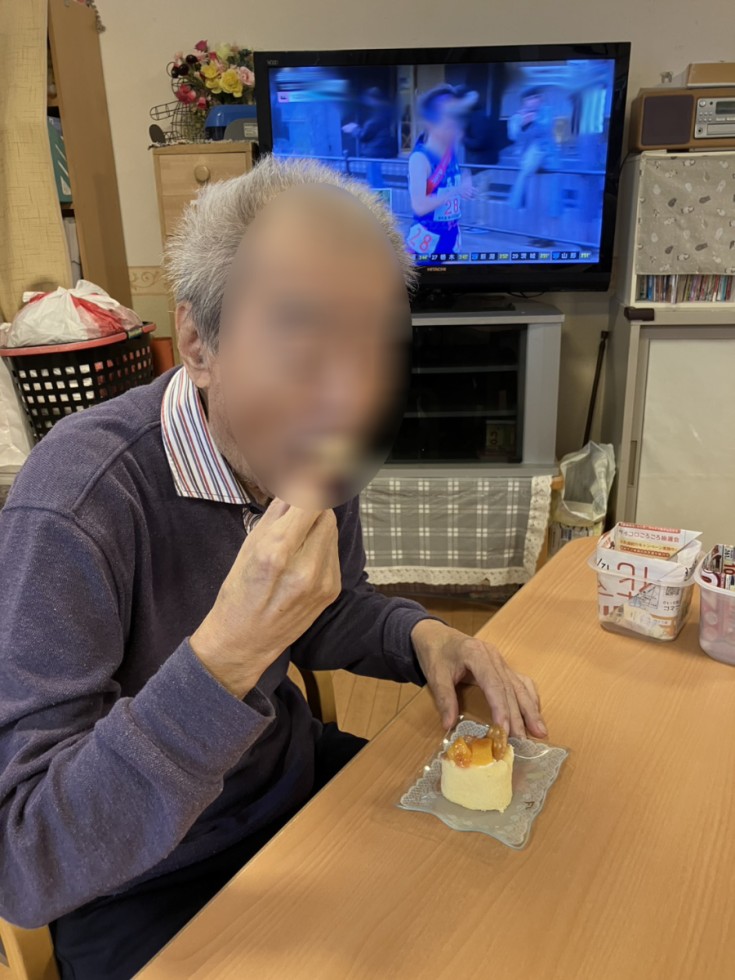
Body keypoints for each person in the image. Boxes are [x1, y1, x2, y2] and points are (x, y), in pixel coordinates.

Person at [0, 157, 546, 979]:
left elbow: (326, 610)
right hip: (139, 880)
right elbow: (27, 857)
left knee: (502, 902)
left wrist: (422, 636)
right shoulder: (77, 506)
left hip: (287, 785)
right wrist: (225, 656)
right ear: (198, 343)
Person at [407, 84, 478, 257]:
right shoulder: (420, 159)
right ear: (431, 123)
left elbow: (462, 172)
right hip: (425, 241)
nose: (455, 126)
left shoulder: (451, 150)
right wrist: (455, 190)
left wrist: (466, 182)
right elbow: (420, 206)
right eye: (448, 120)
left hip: (452, 236)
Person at [507, 86, 556, 210]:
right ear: (524, 102)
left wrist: (535, 120)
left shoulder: (546, 112)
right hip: (525, 157)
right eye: (531, 99)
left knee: (538, 152)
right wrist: (523, 125)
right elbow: (514, 136)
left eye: (537, 98)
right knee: (528, 164)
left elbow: (546, 131)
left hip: (546, 156)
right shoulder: (517, 117)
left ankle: (517, 201)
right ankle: (517, 201)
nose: (535, 101)